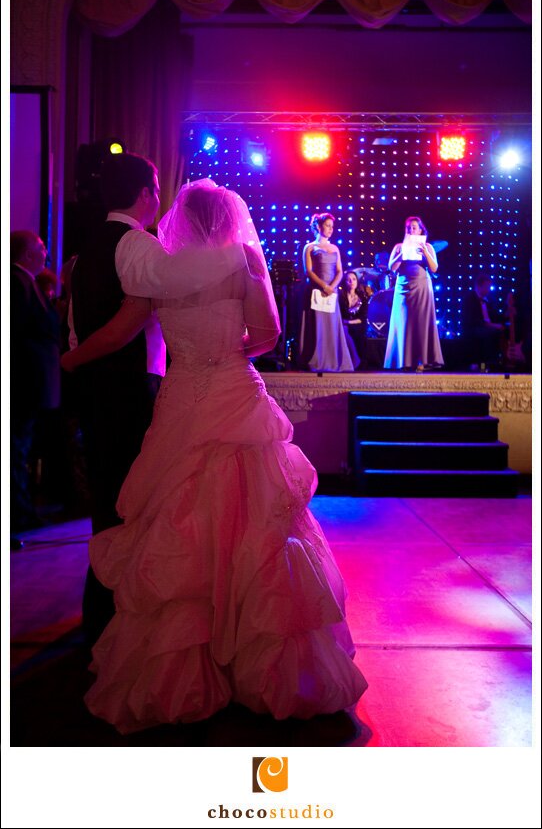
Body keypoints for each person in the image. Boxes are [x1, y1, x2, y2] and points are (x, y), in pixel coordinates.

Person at [62, 178, 367, 733]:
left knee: (181, 518)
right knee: (259, 519)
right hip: (233, 390)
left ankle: (183, 666)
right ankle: (263, 663)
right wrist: (227, 355)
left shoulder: (162, 269)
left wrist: (73, 359)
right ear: (228, 218)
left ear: (181, 217)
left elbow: (125, 330)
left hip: (181, 398)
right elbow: (269, 333)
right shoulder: (242, 259)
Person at [67, 152, 166, 646]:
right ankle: (115, 621)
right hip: (128, 392)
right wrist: (72, 360)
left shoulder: (88, 247)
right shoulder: (139, 244)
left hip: (96, 393)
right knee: (129, 506)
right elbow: (126, 328)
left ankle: (99, 617)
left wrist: (74, 362)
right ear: (146, 193)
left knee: (108, 505)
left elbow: (75, 318)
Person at [10, 231, 61, 548]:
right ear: (27, 253)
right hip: (23, 382)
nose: (45, 250)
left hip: (30, 382)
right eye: (40, 246)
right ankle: (16, 516)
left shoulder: (28, 281)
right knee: (16, 449)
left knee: (21, 448)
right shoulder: (18, 283)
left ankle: (23, 511)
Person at [384, 216, 444, 372]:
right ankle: (403, 360)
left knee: (421, 324)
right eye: (409, 228)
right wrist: (402, 253)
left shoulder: (428, 247)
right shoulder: (399, 246)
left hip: (422, 287)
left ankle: (421, 360)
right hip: (403, 288)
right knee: (403, 323)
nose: (411, 230)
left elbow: (434, 268)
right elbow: (392, 267)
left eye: (414, 227)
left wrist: (425, 252)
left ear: (420, 230)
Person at [298, 213, 356, 371]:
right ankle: (317, 359)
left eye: (332, 226)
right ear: (318, 226)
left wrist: (333, 287)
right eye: (328, 225)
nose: (331, 229)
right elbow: (308, 271)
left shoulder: (335, 248)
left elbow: (340, 270)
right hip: (317, 290)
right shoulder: (310, 247)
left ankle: (334, 360)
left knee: (331, 325)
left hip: (332, 292)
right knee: (318, 326)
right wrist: (324, 286)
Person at [462, 274, 505, 371]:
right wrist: (492, 325)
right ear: (479, 286)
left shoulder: (488, 299)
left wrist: (505, 315)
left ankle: (498, 362)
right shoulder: (469, 299)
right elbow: (473, 320)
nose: (489, 289)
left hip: (486, 326)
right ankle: (482, 365)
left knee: (501, 330)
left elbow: (494, 315)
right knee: (487, 333)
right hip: (473, 328)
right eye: (487, 287)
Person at [339, 270, 371, 370]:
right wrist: (345, 323)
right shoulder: (340, 297)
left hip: (357, 324)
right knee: (344, 330)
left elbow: (363, 318)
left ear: (357, 281)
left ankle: (357, 361)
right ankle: (353, 360)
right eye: (348, 280)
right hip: (343, 325)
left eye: (353, 279)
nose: (351, 282)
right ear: (344, 282)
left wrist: (348, 322)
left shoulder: (362, 297)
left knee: (353, 331)